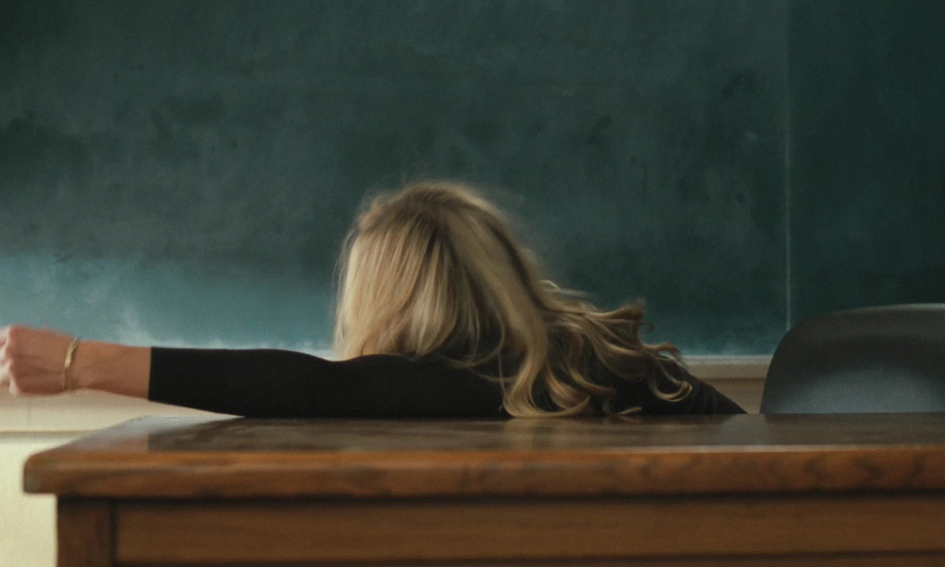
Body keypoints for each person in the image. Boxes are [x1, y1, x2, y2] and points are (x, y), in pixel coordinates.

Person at [0, 181, 744, 417]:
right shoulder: (600, 359)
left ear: (386, 297)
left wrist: (80, 362)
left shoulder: (441, 389)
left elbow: (308, 387)